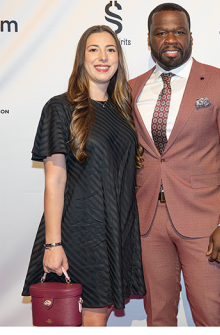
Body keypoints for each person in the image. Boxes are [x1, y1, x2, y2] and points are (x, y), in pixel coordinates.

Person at [129, 3, 220, 326]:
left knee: (211, 315)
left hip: (206, 225)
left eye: (178, 31)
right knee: (157, 316)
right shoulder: (130, 89)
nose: (171, 39)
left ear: (191, 37)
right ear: (149, 39)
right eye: (161, 32)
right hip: (148, 224)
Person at [21, 26, 145, 326]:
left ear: (119, 58)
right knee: (90, 315)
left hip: (118, 228)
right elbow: (55, 180)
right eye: (94, 49)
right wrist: (53, 244)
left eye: (111, 49)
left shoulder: (123, 109)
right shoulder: (61, 108)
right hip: (80, 231)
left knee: (98, 313)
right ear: (81, 58)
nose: (103, 57)